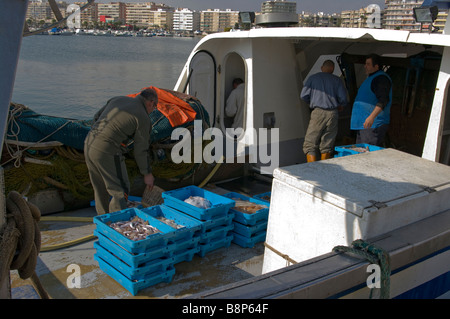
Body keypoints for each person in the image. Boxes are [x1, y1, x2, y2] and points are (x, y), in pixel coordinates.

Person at [84, 88, 158, 215]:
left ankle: (104, 220)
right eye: (154, 107)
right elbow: (141, 149)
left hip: (89, 143)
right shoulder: (143, 116)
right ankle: (116, 224)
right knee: (120, 189)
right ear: (151, 102)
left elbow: (96, 117)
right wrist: (147, 173)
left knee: (100, 188)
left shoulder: (118, 99)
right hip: (107, 150)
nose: (153, 110)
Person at [300, 60, 348, 162]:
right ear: (332, 69)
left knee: (310, 143)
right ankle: (324, 167)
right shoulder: (336, 80)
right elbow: (343, 98)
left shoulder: (313, 78)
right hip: (333, 113)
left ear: (322, 67)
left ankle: (312, 168)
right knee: (327, 142)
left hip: (318, 112)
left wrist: (312, 101)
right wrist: (340, 105)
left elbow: (303, 95)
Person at [350, 54, 392, 146]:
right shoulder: (371, 78)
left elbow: (383, 100)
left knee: (367, 152)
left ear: (376, 66)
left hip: (372, 124)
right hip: (364, 124)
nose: (365, 66)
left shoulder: (381, 79)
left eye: (368, 64)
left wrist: (371, 117)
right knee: (361, 151)